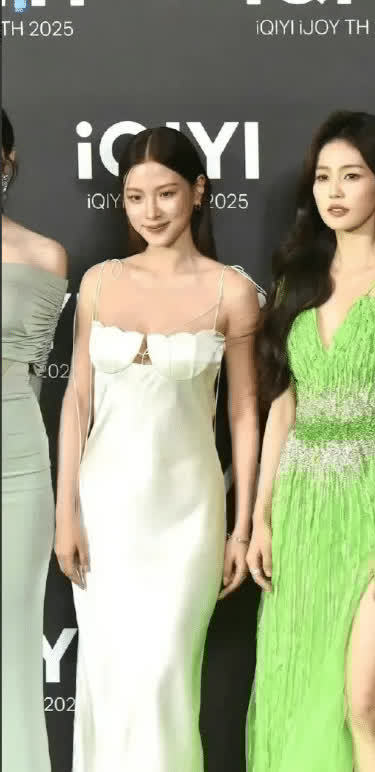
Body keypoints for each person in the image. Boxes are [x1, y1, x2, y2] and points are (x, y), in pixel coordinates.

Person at [54, 126, 263, 772]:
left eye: (166, 193)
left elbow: (244, 413)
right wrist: (66, 514)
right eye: (135, 196)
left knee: (166, 681)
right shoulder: (99, 283)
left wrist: (241, 527)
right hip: (105, 511)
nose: (150, 211)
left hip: (189, 517)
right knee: (111, 684)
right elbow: (78, 400)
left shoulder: (232, 292)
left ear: (198, 192)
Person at [246, 111, 375, 771]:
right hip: (304, 508)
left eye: (352, 176)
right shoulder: (296, 284)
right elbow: (282, 410)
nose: (334, 192)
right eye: (323, 177)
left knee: (366, 701)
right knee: (308, 693)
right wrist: (261, 516)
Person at [1, 108, 68, 772]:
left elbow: (37, 370)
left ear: (8, 160)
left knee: (13, 643)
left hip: (16, 463)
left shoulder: (44, 256)